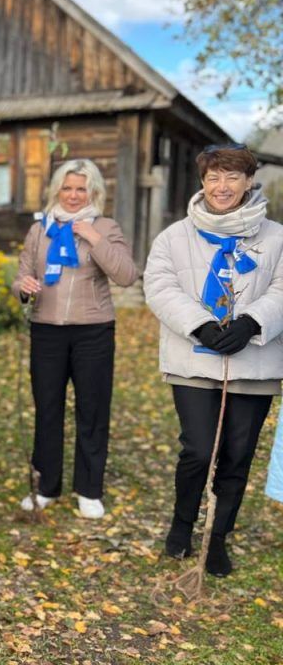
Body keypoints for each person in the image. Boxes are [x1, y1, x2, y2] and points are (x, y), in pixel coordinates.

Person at [145, 143, 283, 577]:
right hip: (193, 360)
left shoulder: (276, 237)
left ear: (248, 182)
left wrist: (252, 322)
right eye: (213, 178)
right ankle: (182, 526)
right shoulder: (174, 236)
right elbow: (161, 286)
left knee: (238, 454)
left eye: (231, 177)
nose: (221, 186)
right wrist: (200, 326)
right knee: (199, 450)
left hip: (254, 364)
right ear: (203, 182)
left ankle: (218, 538)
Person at [11, 159, 138, 519]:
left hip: (92, 331)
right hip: (46, 330)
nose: (72, 195)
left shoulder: (106, 226)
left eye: (80, 188)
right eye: (67, 188)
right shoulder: (40, 230)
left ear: (93, 192)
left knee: (92, 410)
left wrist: (94, 237)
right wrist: (24, 287)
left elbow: (127, 275)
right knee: (47, 409)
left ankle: (89, 489)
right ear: (56, 190)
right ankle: (47, 485)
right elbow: (21, 276)